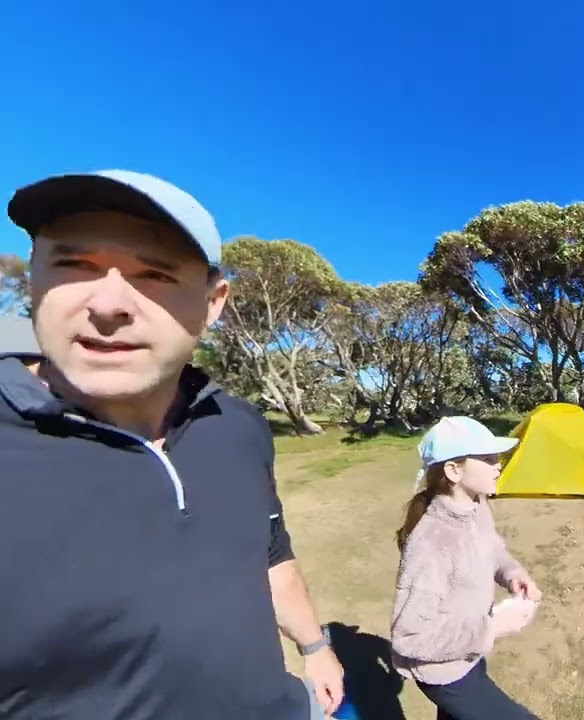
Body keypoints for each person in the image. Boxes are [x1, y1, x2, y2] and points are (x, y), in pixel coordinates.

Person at [0, 170, 343, 719]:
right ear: (33, 275)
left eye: (154, 273)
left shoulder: (238, 426)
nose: (109, 302)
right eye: (73, 264)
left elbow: (270, 552)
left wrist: (316, 648)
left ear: (213, 304)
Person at [391, 416, 542, 719]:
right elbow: (410, 638)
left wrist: (511, 572)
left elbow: (492, 548)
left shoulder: (477, 505)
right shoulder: (432, 542)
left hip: (469, 654)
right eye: (487, 458)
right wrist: (493, 628)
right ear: (453, 470)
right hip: (445, 673)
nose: (498, 464)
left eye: (497, 456)